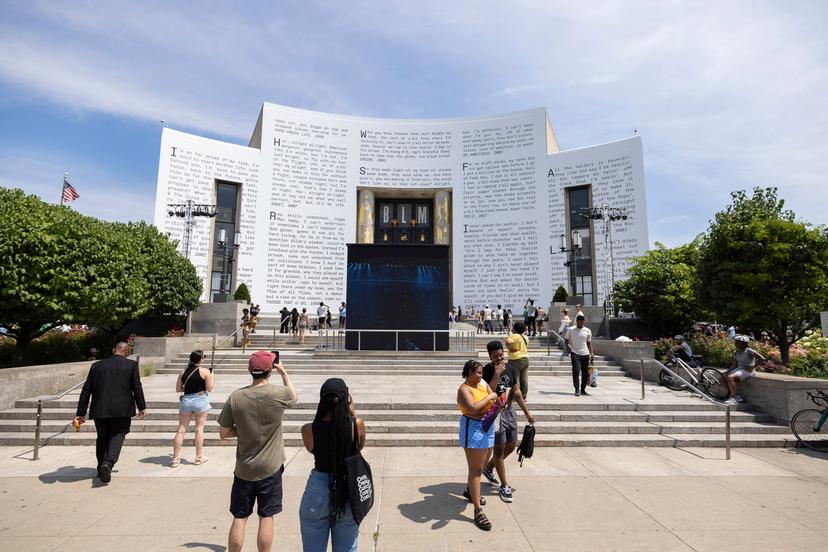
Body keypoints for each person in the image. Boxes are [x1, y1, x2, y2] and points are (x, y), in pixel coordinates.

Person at [218, 351, 297, 552]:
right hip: (271, 467)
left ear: (249, 370)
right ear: (270, 370)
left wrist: (243, 430)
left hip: (244, 467)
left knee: (239, 516)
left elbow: (224, 433)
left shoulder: (236, 396)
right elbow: (293, 397)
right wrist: (284, 373)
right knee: (266, 516)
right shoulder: (278, 394)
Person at [299, 378, 366, 551]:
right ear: (347, 399)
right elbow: (358, 447)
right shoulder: (356, 426)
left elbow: (312, 449)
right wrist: (352, 412)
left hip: (318, 487)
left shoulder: (308, 429)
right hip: (347, 487)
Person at [74, 342, 146, 484]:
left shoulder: (97, 366)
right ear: (126, 352)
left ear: (114, 350)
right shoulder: (131, 365)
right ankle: (108, 462)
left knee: (102, 437)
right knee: (119, 434)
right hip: (122, 409)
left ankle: (101, 467)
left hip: (100, 408)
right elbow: (136, 386)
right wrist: (141, 406)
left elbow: (86, 390)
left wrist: (80, 413)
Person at [481, 341, 534, 503]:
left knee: (511, 444)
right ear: (489, 356)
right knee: (498, 449)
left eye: (500, 354)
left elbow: (516, 392)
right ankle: (504, 485)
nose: (499, 357)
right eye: (495, 355)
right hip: (495, 412)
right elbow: (487, 392)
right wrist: (496, 373)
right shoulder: (486, 370)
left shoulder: (510, 368)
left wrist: (527, 413)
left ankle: (489, 468)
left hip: (509, 411)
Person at [457, 360, 497, 531]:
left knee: (485, 460)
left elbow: (493, 401)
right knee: (476, 470)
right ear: (469, 372)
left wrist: (491, 403)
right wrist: (489, 399)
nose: (481, 375)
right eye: (479, 372)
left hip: (487, 424)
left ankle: (470, 491)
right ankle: (477, 511)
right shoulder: (464, 389)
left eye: (481, 372)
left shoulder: (482, 383)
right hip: (473, 428)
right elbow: (473, 408)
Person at [172, 350, 215, 467]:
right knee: (199, 429)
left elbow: (178, 389)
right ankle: (199, 457)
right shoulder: (205, 371)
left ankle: (175, 459)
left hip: (186, 400)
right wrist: (212, 376)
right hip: (200, 399)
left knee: (181, 429)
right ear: (200, 359)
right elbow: (210, 388)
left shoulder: (183, 371)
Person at [725, 336, 765, 404]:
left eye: (737, 342)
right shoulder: (736, 352)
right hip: (739, 369)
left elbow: (762, 359)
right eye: (736, 342)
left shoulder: (749, 350)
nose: (735, 343)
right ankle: (736, 396)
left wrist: (752, 367)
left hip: (747, 371)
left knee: (730, 378)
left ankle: (733, 398)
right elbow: (734, 364)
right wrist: (727, 371)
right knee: (723, 377)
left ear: (743, 343)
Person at [566, 314, 594, 396]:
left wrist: (591, 352)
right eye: (579, 322)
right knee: (576, 371)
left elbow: (589, 343)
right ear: (577, 321)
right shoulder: (571, 329)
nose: (581, 323)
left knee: (585, 373)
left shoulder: (587, 331)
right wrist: (568, 348)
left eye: (582, 322)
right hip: (575, 353)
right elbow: (566, 339)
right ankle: (577, 389)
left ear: (584, 322)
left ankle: (583, 389)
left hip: (585, 354)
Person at [505, 322, 530, 398]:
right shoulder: (525, 337)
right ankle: (523, 395)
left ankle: (516, 395)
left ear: (515, 329)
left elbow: (508, 341)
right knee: (524, 378)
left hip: (515, 359)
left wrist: (510, 348)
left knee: (516, 378)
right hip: (525, 358)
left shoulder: (514, 336)